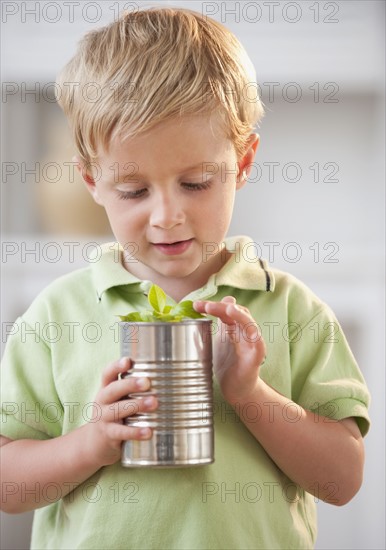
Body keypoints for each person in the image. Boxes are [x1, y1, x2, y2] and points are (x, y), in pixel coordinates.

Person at [0, 7, 370, 550]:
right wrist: (94, 442)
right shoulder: (57, 314)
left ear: (242, 164)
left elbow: (342, 481)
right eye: (133, 191)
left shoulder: (293, 310)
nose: (167, 216)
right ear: (91, 180)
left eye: (196, 183)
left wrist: (249, 394)